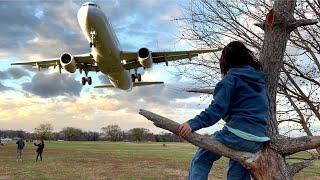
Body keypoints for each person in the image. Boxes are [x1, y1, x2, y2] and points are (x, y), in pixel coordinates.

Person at [178, 41, 270, 180]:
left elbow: (216, 110)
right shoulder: (258, 80)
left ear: (225, 62)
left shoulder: (229, 80)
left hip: (236, 134)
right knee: (238, 171)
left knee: (202, 157)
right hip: (257, 140)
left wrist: (192, 124)